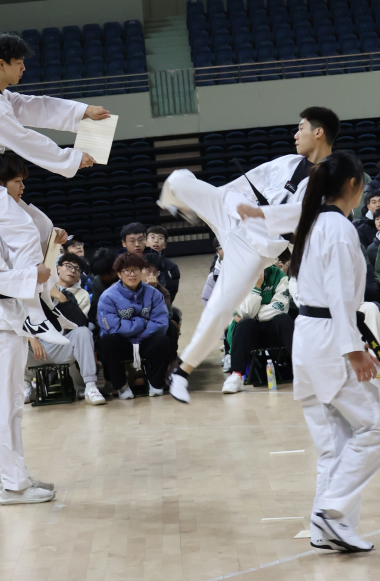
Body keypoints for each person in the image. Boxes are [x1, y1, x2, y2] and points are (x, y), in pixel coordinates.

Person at [159, 106, 339, 403]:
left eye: (301, 128)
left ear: (318, 132)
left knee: (220, 308)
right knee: (178, 179)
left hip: (254, 248)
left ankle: (181, 372)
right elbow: (245, 183)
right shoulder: (287, 162)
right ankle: (182, 205)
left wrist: (265, 213)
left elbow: (303, 218)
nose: (295, 135)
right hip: (233, 213)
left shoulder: (330, 178)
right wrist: (212, 202)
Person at [0, 33, 109, 344]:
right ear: (2, 64)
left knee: (42, 225)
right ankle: (33, 315)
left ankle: (46, 303)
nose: (23, 68)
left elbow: (37, 107)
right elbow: (25, 141)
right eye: (19, 63)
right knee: (23, 227)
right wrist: (72, 158)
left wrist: (83, 111)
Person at [291, 150, 380, 553]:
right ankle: (333, 511)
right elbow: (342, 296)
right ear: (354, 185)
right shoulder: (339, 229)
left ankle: (325, 526)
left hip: (309, 336)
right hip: (330, 338)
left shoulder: (312, 224)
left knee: (337, 442)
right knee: (375, 427)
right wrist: (353, 349)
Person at [0, 153, 58, 505]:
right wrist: (31, 275)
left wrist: (52, 243)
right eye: (17, 182)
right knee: (5, 407)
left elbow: (37, 238)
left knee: (15, 405)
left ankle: (17, 475)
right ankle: (13, 486)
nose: (23, 187)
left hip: (14, 320)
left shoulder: (11, 217)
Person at [25, 252, 105, 406]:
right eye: (68, 266)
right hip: (33, 351)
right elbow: (16, 321)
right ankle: (24, 386)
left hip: (60, 347)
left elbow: (80, 322)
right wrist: (31, 338)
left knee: (84, 332)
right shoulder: (27, 294)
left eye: (77, 269)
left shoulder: (67, 295)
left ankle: (90, 387)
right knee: (10, 337)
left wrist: (61, 298)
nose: (72, 270)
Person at [97, 253, 173, 399]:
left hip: (145, 341)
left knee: (164, 340)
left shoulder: (154, 294)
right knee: (107, 341)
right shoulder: (107, 297)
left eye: (136, 270)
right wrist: (142, 322)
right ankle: (121, 385)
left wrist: (137, 334)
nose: (132, 274)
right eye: (127, 271)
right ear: (119, 274)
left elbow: (160, 323)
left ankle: (156, 383)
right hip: (122, 342)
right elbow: (112, 327)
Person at [222, 264, 293, 394]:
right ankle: (236, 375)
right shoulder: (237, 278)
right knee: (245, 324)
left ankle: (303, 369)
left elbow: (280, 307)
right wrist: (257, 287)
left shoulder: (278, 275)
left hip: (271, 329)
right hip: (248, 333)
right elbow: (246, 312)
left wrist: (256, 315)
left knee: (284, 320)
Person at [145, 225, 181, 302]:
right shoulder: (138, 262)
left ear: (164, 245)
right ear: (146, 242)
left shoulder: (172, 267)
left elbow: (171, 292)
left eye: (160, 238)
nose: (156, 241)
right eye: (152, 237)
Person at [88, 247, 119, 328]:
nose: (101, 278)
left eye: (102, 275)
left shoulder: (129, 276)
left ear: (114, 271)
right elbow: (96, 307)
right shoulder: (97, 281)